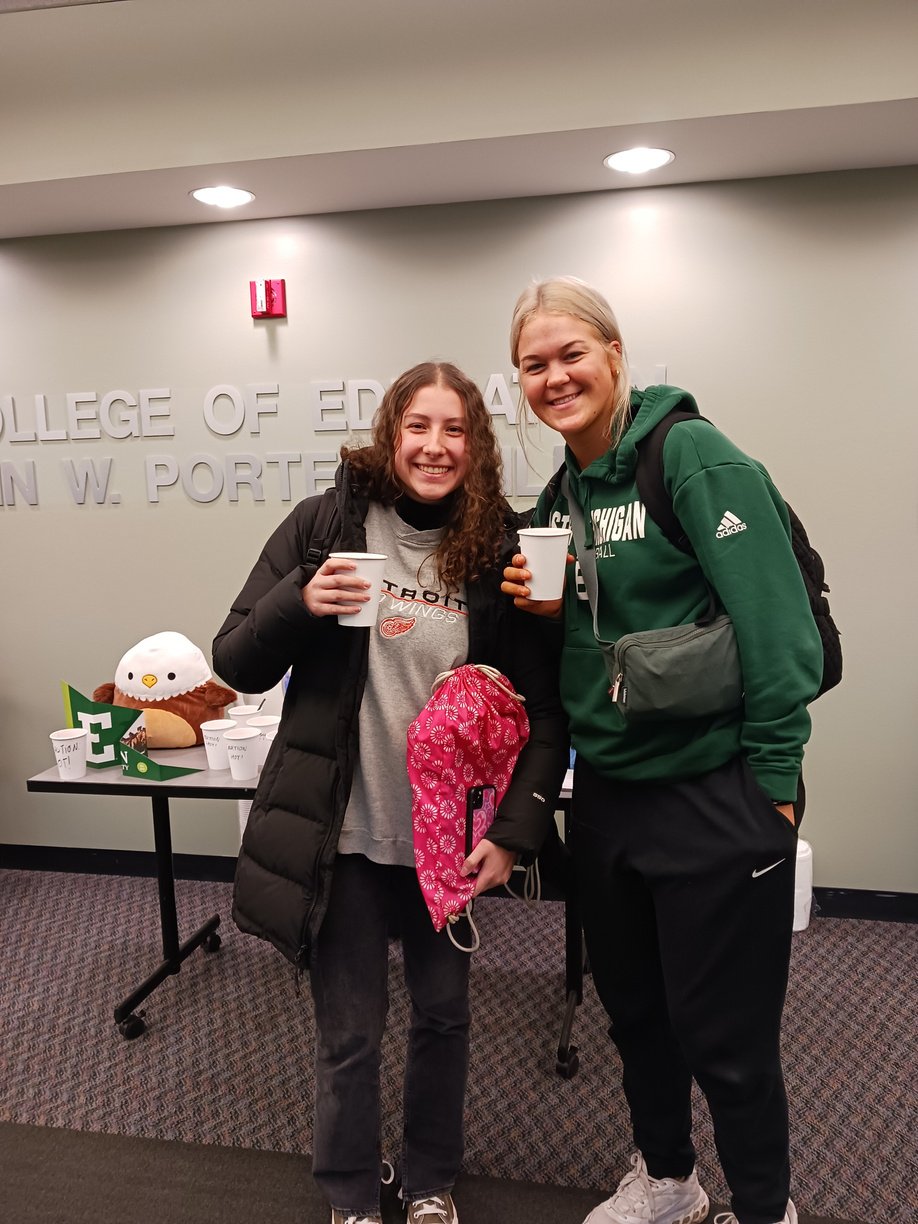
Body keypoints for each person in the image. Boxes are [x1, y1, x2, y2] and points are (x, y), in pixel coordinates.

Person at [213, 361, 568, 1224]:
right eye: (419, 426)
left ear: (475, 447)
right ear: (390, 433)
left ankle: (429, 1179)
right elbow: (232, 661)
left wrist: (514, 834)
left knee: (444, 1020)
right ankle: (348, 1191)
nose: (434, 446)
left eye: (454, 430)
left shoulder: (500, 552)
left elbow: (545, 713)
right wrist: (300, 603)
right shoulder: (323, 526)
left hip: (445, 848)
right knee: (351, 1034)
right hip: (344, 834)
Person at [501, 278, 823, 1224]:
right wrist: (554, 614)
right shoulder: (558, 497)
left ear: (613, 355)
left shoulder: (689, 456)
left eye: (572, 355)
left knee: (727, 1040)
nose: (555, 378)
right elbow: (581, 658)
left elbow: (781, 631)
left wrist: (773, 779)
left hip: (715, 795)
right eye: (534, 364)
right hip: (606, 803)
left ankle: (765, 1208)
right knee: (637, 1018)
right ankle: (671, 1183)